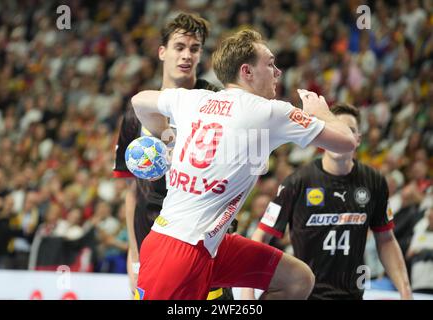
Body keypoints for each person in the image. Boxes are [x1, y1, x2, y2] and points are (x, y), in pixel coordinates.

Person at [130, 29, 356, 300]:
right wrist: (322, 113)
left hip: (206, 244)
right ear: (247, 72)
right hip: (176, 251)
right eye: (270, 64)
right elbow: (346, 142)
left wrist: (165, 136)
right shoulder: (270, 112)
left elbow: (139, 101)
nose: (278, 72)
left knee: (296, 279)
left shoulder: (191, 99)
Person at [112, 13, 233, 300]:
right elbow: (133, 190)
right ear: (162, 52)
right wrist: (134, 252)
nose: (186, 55)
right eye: (179, 47)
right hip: (152, 242)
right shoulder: (138, 109)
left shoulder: (216, 101)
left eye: (194, 48)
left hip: (203, 238)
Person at [243, 103, 413, 300]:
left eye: (348, 131)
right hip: (305, 295)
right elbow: (260, 237)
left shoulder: (373, 181)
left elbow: (386, 239)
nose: (341, 136)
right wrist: (248, 294)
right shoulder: (298, 181)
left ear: (357, 139)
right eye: (334, 130)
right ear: (324, 137)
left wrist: (405, 291)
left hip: (351, 295)